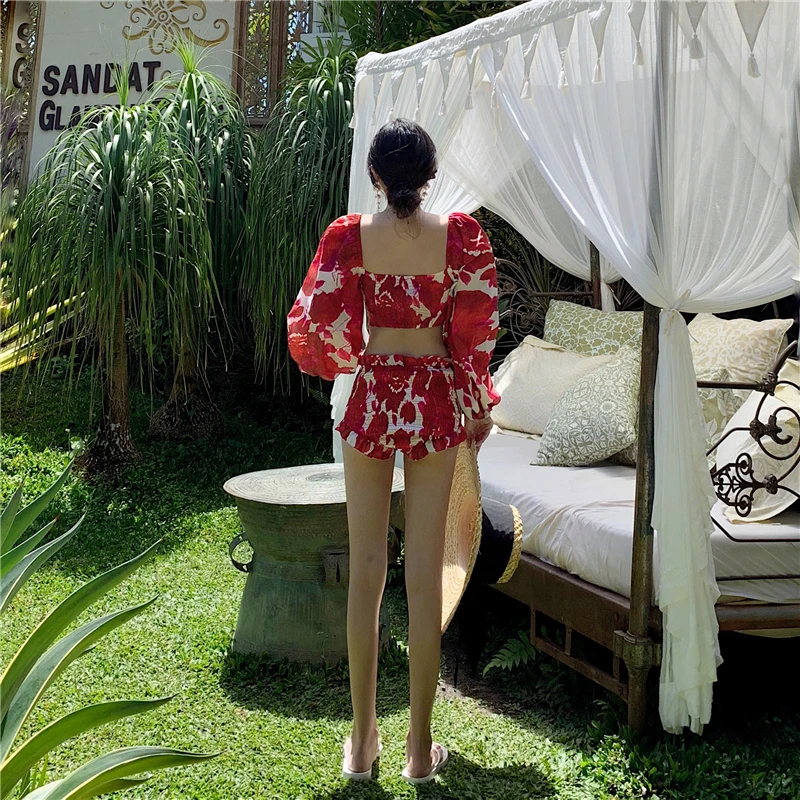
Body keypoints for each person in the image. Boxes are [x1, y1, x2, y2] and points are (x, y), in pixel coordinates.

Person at [286, 118, 500, 784]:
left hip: (375, 394)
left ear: (376, 176)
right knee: (425, 573)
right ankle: (418, 749)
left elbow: (317, 323)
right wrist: (477, 404)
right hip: (434, 399)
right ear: (430, 176)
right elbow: (475, 332)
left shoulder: (348, 236)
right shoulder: (461, 237)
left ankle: (360, 743)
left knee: (367, 570)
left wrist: (352, 356)